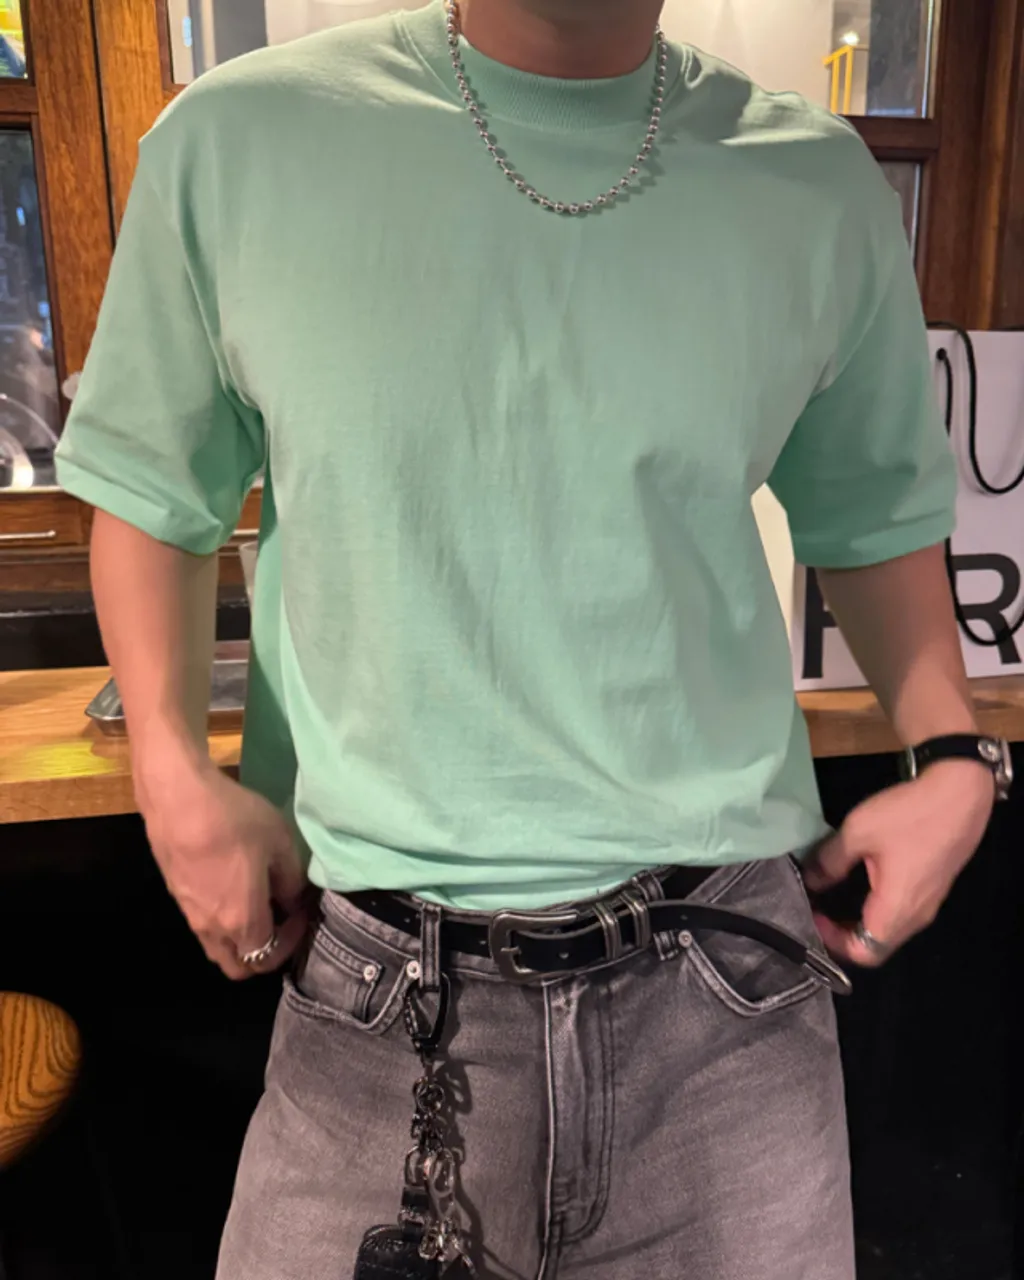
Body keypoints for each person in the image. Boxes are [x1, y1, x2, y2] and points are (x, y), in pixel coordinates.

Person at [55, 1, 1006, 1276]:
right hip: (375, 995)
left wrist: (951, 754)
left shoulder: (813, 180)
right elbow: (149, 490)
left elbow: (876, 514)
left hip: (726, 1003)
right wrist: (168, 767)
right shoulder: (237, 142)